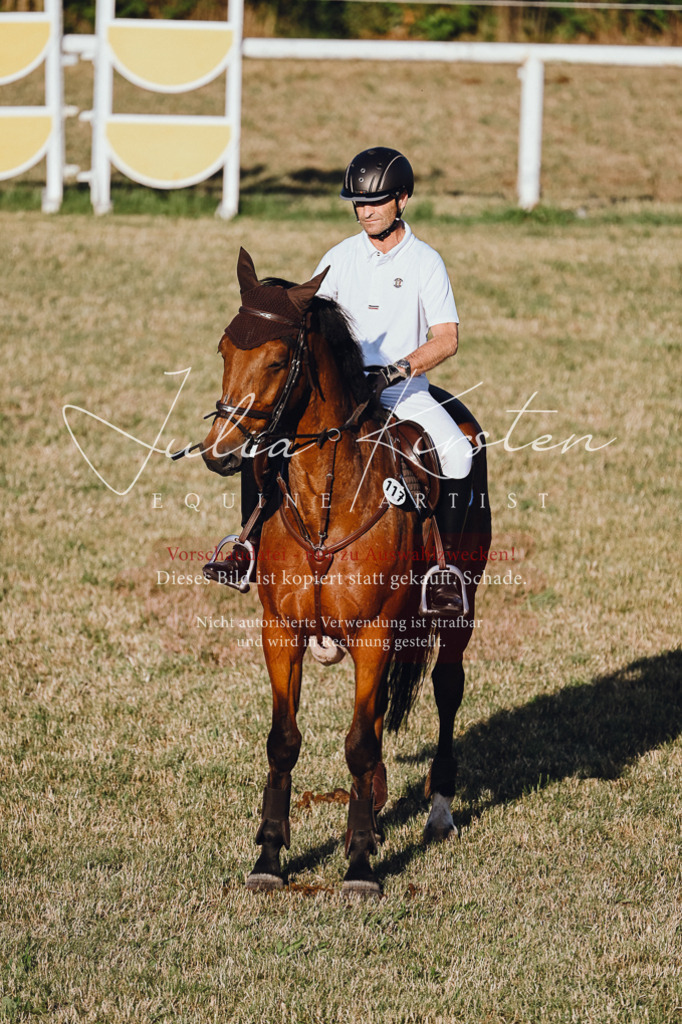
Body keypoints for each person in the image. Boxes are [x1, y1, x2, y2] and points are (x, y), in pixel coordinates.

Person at [206, 147, 474, 614]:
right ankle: (244, 547)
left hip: (399, 392)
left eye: (376, 201)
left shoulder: (426, 262)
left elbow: (447, 338)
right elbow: (306, 324)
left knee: (458, 455)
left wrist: (397, 369)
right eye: (358, 202)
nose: (365, 211)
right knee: (259, 446)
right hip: (338, 392)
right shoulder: (339, 257)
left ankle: (442, 570)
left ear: (402, 200)